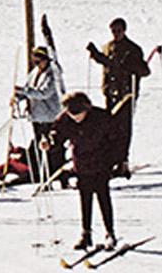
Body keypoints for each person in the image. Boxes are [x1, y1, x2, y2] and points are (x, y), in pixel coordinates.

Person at [49, 92, 125, 251]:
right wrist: (48, 142)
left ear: (86, 108)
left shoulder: (101, 117)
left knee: (103, 196)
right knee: (85, 197)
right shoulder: (65, 119)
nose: (75, 118)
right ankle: (86, 233)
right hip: (82, 163)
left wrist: (118, 160)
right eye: (72, 114)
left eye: (79, 114)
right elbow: (56, 135)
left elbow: (118, 138)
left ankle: (110, 233)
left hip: (102, 162)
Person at [85, 18, 151, 174]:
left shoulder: (133, 49)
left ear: (124, 30)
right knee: (110, 128)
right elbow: (109, 64)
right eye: (113, 31)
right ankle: (111, 159)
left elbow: (144, 71)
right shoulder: (108, 47)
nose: (115, 34)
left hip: (126, 95)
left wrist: (132, 66)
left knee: (123, 128)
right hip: (111, 93)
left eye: (118, 31)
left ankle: (122, 160)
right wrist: (96, 55)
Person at [15, 45, 66, 183]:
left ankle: (60, 176)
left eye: (39, 61)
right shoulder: (34, 73)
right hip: (37, 117)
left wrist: (23, 90)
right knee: (39, 146)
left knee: (54, 148)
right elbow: (29, 91)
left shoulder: (53, 75)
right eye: (35, 62)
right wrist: (18, 97)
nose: (37, 64)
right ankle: (40, 174)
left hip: (50, 117)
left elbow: (43, 93)